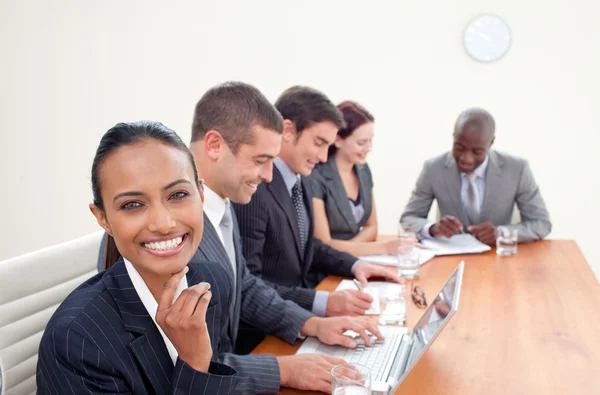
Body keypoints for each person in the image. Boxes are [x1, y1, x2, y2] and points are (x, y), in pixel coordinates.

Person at [189, 82, 384, 394]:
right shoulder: (173, 227)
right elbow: (178, 368)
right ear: (214, 145)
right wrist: (280, 369)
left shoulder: (222, 205)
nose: (268, 175)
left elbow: (246, 288)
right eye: (260, 160)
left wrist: (314, 324)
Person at [36, 121, 239, 394]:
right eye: (132, 205)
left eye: (178, 194)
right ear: (103, 218)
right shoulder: (76, 341)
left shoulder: (214, 281)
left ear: (200, 194)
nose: (163, 223)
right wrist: (195, 363)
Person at [233, 86, 402, 321]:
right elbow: (250, 283)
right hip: (266, 331)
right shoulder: (257, 190)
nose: (323, 157)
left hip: (299, 314)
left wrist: (354, 265)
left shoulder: (298, 179)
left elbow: (309, 246)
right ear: (289, 131)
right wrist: (321, 302)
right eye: (319, 143)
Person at [400, 107, 552, 244]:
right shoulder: (433, 169)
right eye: (459, 147)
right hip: (450, 259)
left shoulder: (517, 169)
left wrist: (501, 233)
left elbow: (541, 223)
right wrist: (432, 228)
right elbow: (409, 218)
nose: (466, 158)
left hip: (499, 259)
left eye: (477, 151)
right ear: (453, 137)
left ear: (491, 143)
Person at [311, 100, 403, 256]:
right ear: (338, 140)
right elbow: (324, 244)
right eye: (362, 143)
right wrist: (383, 248)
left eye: (370, 141)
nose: (369, 148)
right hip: (324, 270)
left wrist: (350, 253)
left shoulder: (363, 169)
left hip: (354, 261)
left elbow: (372, 228)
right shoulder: (315, 176)